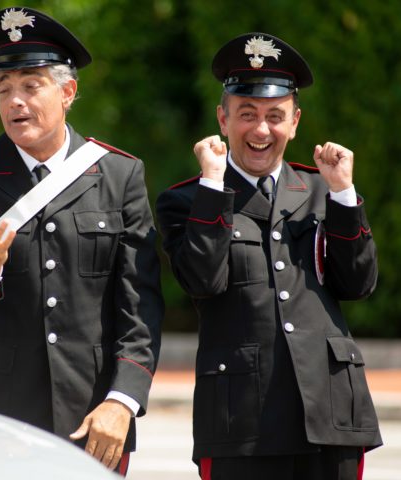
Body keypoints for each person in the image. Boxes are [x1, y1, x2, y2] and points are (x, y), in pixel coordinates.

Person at [0, 7, 163, 474]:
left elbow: (139, 306)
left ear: (68, 92)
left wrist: (122, 402)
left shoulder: (119, 174)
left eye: (31, 86)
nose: (15, 101)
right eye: (5, 89)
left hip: (94, 421)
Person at [155, 33, 382, 480]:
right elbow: (202, 281)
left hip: (331, 414)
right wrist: (214, 187)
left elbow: (358, 283)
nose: (261, 130)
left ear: (295, 122)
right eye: (247, 114)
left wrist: (343, 192)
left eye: (275, 116)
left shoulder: (323, 189)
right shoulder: (190, 199)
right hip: (242, 421)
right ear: (223, 119)